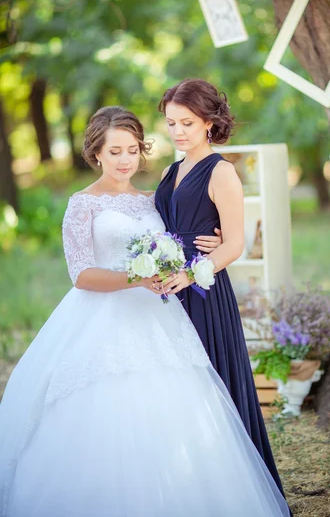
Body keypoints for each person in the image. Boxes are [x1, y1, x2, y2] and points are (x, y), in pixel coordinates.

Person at [0, 106, 290, 517]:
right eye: (115, 151)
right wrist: (135, 279)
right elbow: (80, 274)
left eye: (132, 150)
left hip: (161, 318)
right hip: (104, 320)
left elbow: (185, 230)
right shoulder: (81, 205)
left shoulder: (153, 198)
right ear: (96, 153)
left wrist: (218, 236)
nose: (125, 160)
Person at [155, 78, 290, 508]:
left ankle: (232, 488)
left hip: (203, 293)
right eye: (172, 123)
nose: (178, 132)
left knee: (212, 382)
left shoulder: (222, 171)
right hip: (164, 292)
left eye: (187, 123)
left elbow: (234, 243)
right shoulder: (169, 171)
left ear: (210, 123)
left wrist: (193, 275)